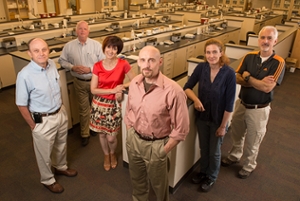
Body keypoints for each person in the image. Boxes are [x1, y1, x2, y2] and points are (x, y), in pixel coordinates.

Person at [124, 46, 190, 201]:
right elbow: (129, 111)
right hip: (134, 141)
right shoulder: (134, 83)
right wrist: (130, 132)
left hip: (156, 145)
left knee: (159, 186)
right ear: (138, 62)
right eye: (143, 60)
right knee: (137, 181)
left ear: (160, 62)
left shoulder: (173, 91)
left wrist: (163, 150)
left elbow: (182, 129)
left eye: (151, 60)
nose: (146, 65)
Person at [221, 26, 285, 179]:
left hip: (259, 109)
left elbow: (267, 87)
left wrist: (248, 77)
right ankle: (235, 155)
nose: (265, 41)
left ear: (275, 41)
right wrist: (257, 82)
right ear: (258, 39)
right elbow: (236, 77)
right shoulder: (249, 56)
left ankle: (249, 165)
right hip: (242, 104)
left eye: (269, 38)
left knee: (254, 139)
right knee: (237, 133)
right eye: (263, 37)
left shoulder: (278, 62)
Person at [15, 38, 77, 194]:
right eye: (36, 51)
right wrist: (33, 125)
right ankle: (48, 179)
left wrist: (61, 108)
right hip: (42, 120)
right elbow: (21, 104)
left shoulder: (52, 66)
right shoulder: (25, 75)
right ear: (29, 53)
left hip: (59, 113)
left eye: (44, 49)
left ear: (49, 50)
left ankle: (61, 167)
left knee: (61, 144)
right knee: (44, 153)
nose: (41, 53)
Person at [183, 39, 236, 192]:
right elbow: (187, 87)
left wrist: (223, 126)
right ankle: (203, 172)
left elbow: (229, 104)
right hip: (202, 117)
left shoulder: (229, 73)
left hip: (219, 119)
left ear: (221, 53)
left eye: (214, 52)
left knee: (215, 151)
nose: (211, 55)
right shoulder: (201, 68)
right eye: (208, 52)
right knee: (204, 148)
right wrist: (196, 99)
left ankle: (211, 177)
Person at [90, 36, 136, 171]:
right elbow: (93, 89)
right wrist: (113, 89)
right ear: (104, 48)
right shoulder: (97, 66)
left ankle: (112, 152)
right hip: (98, 104)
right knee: (102, 134)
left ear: (118, 50)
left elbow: (135, 80)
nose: (111, 51)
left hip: (113, 105)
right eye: (109, 47)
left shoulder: (123, 64)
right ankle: (106, 155)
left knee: (111, 138)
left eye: (114, 48)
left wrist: (122, 87)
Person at [58, 20, 105, 146]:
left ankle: (94, 127)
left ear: (88, 31)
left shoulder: (96, 45)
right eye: (80, 28)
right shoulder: (69, 46)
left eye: (85, 29)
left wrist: (90, 69)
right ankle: (85, 133)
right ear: (76, 31)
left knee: (96, 107)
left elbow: (104, 63)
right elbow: (62, 61)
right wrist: (72, 67)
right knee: (84, 109)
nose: (82, 31)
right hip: (79, 82)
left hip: (95, 82)